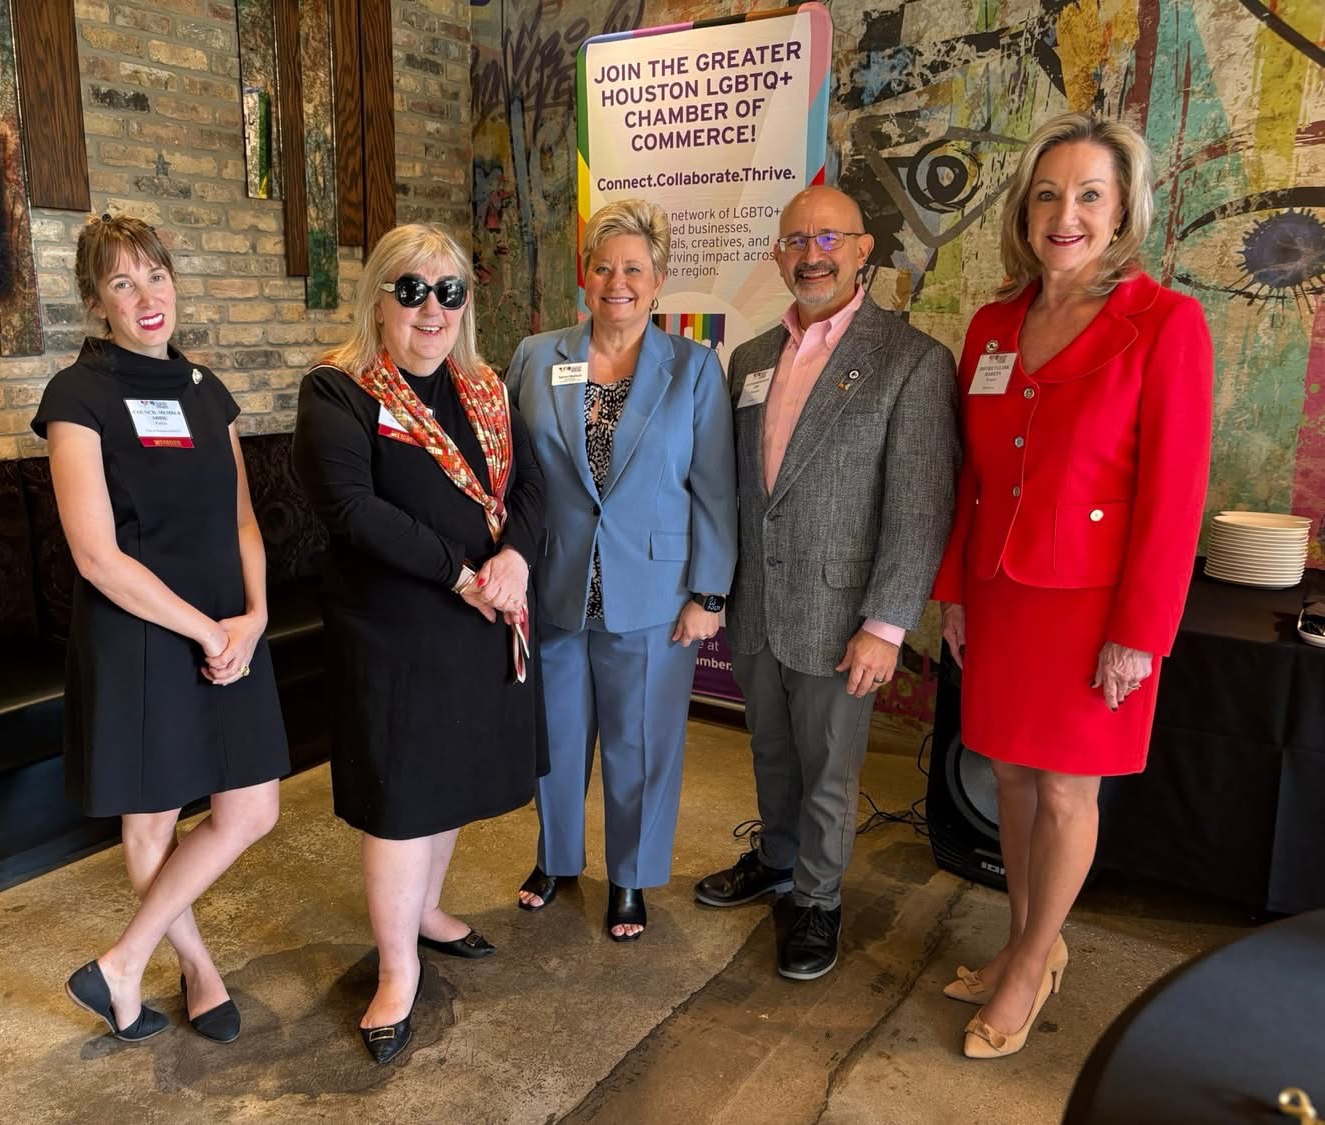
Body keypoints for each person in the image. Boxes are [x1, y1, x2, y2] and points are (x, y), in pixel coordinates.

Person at [933, 113, 1212, 1059]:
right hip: (1001, 591)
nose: (1067, 215)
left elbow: (1174, 495)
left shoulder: (1165, 324)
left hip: (1096, 606)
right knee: (1009, 776)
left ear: (1123, 209)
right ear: (1025, 211)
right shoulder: (993, 325)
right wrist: (954, 588)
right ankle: (1028, 939)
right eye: (1049, 194)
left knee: (1064, 792)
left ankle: (1030, 961)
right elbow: (972, 477)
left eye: (1091, 195)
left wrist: (1142, 630)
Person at [292, 223, 545, 1064]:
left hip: (478, 616)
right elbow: (353, 510)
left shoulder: (485, 390)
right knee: (402, 800)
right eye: (411, 290)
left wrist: (514, 558)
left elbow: (530, 490)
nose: (432, 309)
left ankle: (428, 910)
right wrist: (462, 574)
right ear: (378, 300)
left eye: (449, 291)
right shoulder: (338, 390)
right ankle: (396, 969)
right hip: (394, 629)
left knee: (448, 784)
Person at [694, 186, 959, 983]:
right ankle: (777, 860)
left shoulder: (911, 361)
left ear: (862, 250)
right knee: (772, 753)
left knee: (830, 772)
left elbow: (920, 507)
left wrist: (886, 625)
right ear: (778, 255)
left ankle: (816, 899)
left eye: (829, 239)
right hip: (757, 606)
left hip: (842, 616)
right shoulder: (750, 359)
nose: (812, 255)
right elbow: (739, 491)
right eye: (796, 240)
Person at [35, 214, 288, 1046]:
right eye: (122, 282)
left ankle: (120, 962)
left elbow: (243, 519)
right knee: (151, 824)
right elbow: (95, 555)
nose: (146, 296)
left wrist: (253, 616)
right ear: (96, 301)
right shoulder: (77, 397)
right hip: (140, 632)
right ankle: (196, 968)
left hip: (229, 625)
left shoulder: (206, 391)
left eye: (155, 275)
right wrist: (204, 631)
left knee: (251, 808)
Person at [505, 198, 737, 941]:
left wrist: (709, 592)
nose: (617, 282)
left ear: (659, 279)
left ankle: (631, 876)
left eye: (634, 269)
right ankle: (556, 858)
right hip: (554, 580)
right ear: (585, 274)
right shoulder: (536, 357)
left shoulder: (693, 368)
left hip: (655, 589)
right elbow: (509, 473)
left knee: (641, 743)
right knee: (555, 738)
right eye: (603, 267)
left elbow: (715, 486)